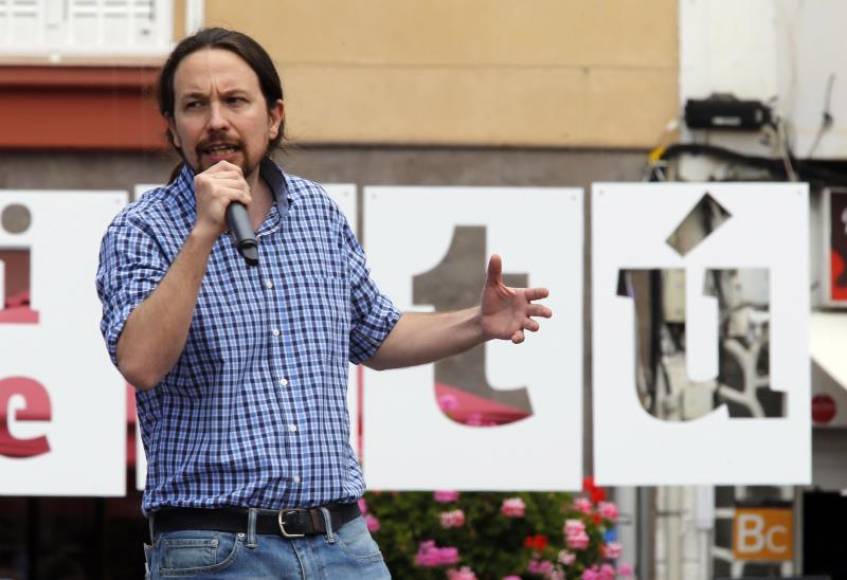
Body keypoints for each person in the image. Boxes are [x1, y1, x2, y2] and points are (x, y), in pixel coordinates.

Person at [96, 27, 552, 579]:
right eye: (195, 105)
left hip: (341, 544)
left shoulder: (317, 213)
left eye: (236, 100)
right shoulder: (140, 230)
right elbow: (142, 364)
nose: (216, 120)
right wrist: (202, 233)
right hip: (216, 550)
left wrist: (478, 322)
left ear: (274, 116)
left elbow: (377, 336)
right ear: (173, 128)